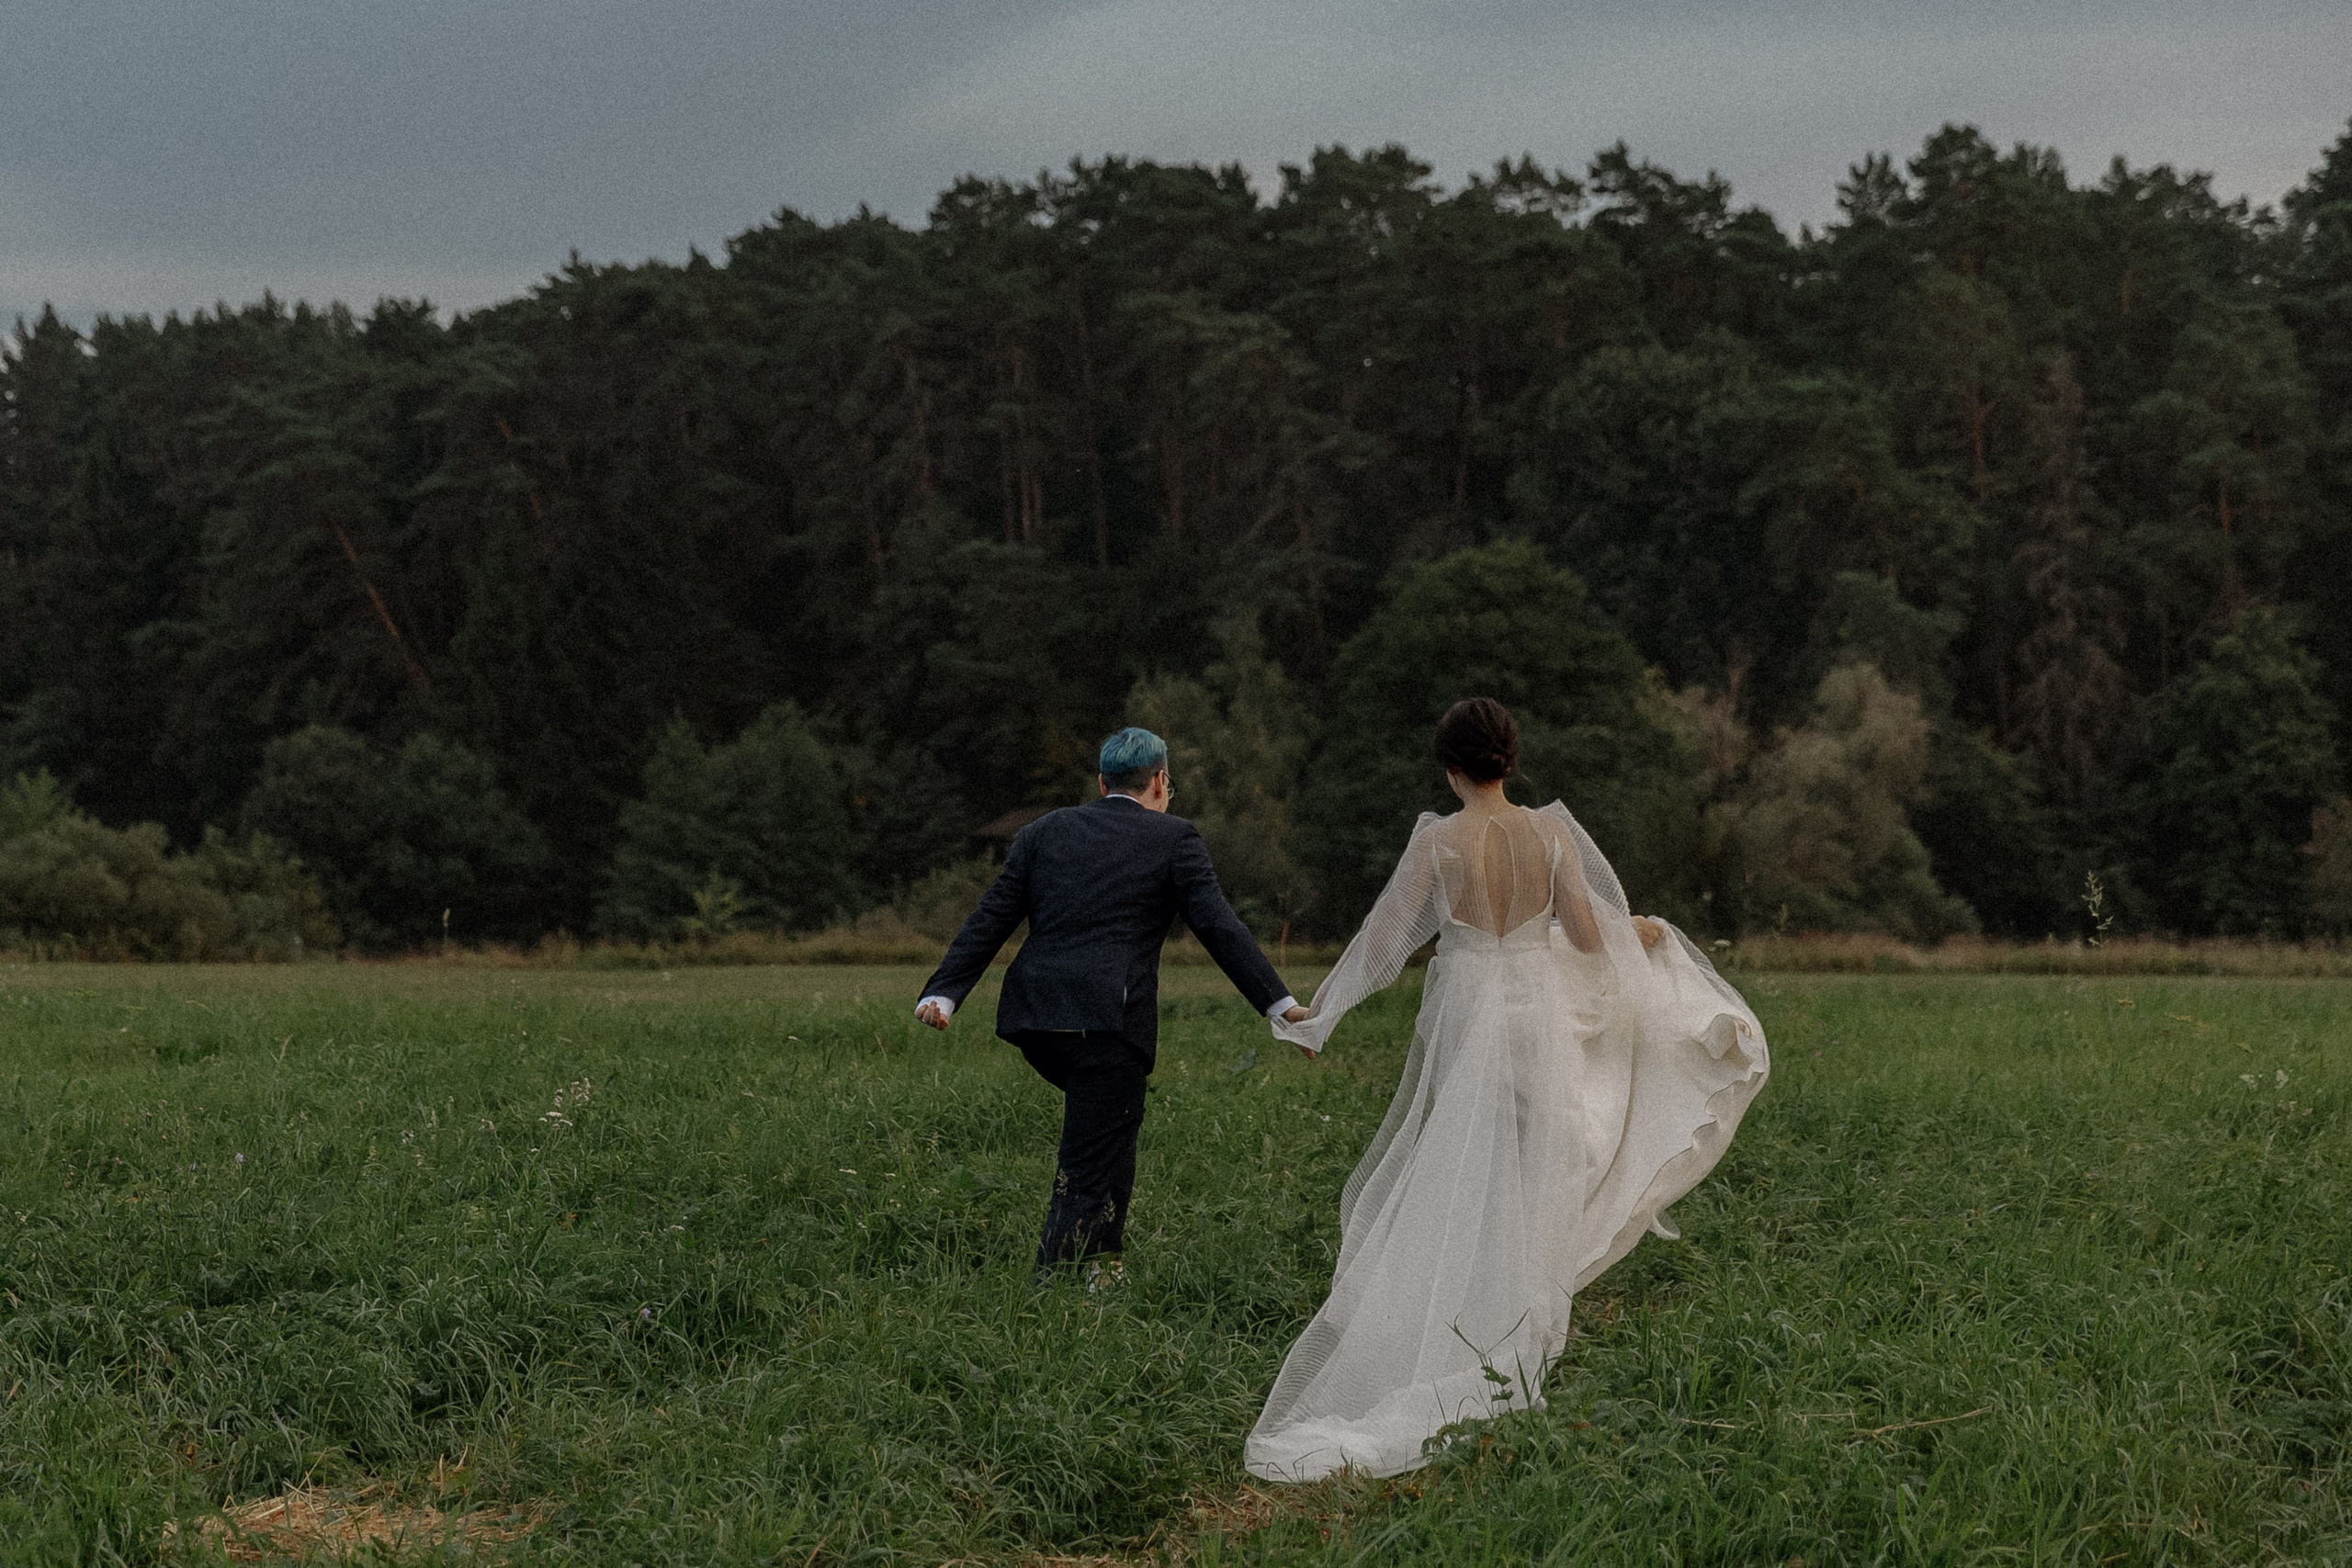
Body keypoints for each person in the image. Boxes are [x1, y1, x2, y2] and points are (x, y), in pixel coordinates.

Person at [1246, 697, 1770, 1481]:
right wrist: (1646, 931)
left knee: (1466, 1157)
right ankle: (1520, 1313)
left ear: (1452, 768)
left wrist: (1318, 1011)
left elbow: (1386, 936)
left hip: (1465, 1007)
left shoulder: (1438, 840)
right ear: (1511, 761)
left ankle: (1466, 1307)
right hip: (1535, 1005)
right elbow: (1591, 936)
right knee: (1550, 1155)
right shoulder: (1550, 833)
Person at [916, 727, 1308, 1289]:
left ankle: (1105, 1269)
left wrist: (943, 993)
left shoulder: (1041, 832)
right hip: (1105, 1024)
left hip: (1036, 1019)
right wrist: (1281, 1005)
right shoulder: (1174, 837)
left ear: (1102, 783)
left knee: (1113, 1128)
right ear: (1160, 782)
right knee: (1086, 1163)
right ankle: (1046, 1294)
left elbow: (992, 916)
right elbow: (1219, 926)